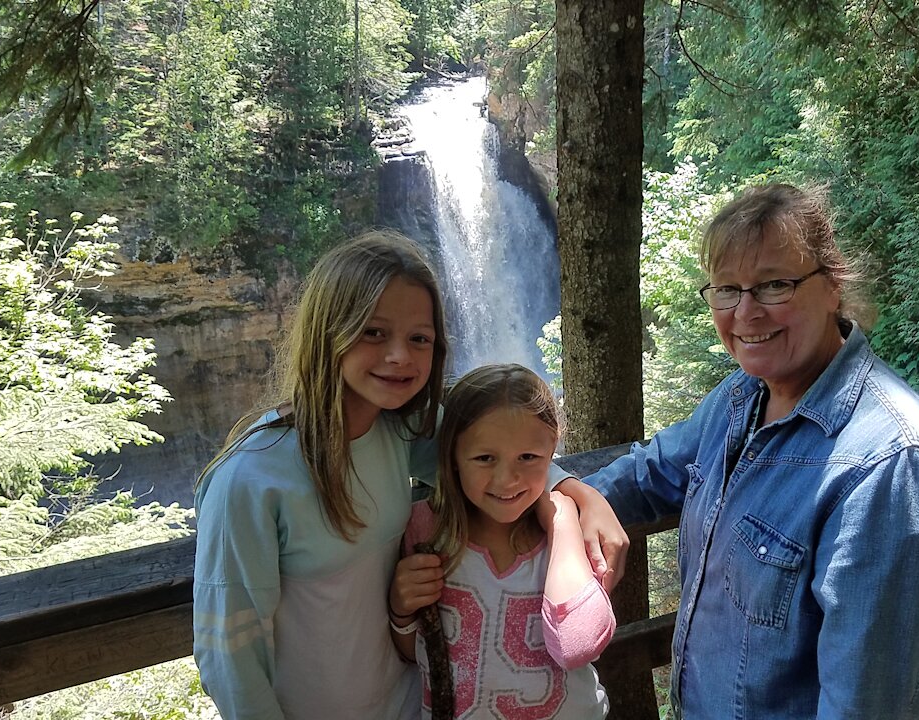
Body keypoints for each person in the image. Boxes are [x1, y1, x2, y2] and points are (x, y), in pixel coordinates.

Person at [191, 231, 624, 720]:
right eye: (374, 332)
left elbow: (506, 455)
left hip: (407, 704)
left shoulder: (398, 432)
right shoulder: (252, 478)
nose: (400, 355)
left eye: (419, 338)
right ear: (327, 331)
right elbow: (228, 654)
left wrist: (579, 495)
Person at [584, 184, 919, 719]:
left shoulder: (888, 465)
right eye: (726, 289)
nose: (745, 314)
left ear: (833, 284)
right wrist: (556, 496)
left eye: (773, 286)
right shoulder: (741, 396)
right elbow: (652, 473)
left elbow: (865, 706)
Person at [389, 363, 616, 719]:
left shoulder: (569, 537)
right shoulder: (424, 531)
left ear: (552, 449)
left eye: (528, 457)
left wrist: (562, 517)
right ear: (452, 458)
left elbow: (579, 642)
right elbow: (412, 652)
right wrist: (401, 609)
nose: (507, 479)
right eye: (484, 458)